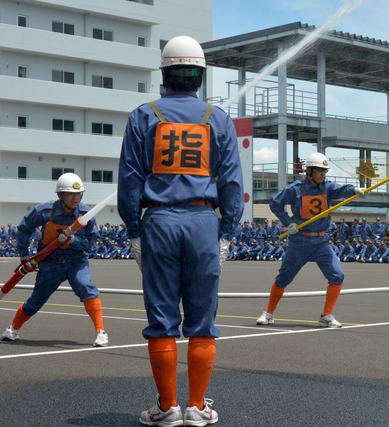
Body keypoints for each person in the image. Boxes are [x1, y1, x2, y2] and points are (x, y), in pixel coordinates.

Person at [118, 35, 243, 426]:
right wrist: (229, 231)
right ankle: (198, 405)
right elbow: (232, 183)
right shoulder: (217, 119)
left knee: (161, 318)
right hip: (204, 221)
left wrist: (134, 229)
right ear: (200, 75)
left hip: (158, 221)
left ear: (164, 74)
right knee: (203, 319)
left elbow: (130, 180)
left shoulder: (144, 116)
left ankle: (167, 407)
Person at [256, 152, 362, 329]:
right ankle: (269, 313)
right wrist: (288, 223)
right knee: (283, 278)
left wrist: (354, 190)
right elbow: (275, 203)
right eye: (319, 170)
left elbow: (341, 189)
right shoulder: (295, 189)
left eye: (324, 171)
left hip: (321, 242)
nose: (323, 174)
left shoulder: (327, 188)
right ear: (309, 171)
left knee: (337, 275)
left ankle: (326, 316)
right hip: (300, 242)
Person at [1, 173, 107, 347]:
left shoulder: (86, 215)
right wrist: (24, 255)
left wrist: (74, 240)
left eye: (79, 194)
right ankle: (13, 328)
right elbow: (23, 229)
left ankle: (101, 332)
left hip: (76, 261)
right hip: (50, 262)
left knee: (86, 287)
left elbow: (90, 245)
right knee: (36, 301)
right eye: (71, 194)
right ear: (60, 195)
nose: (76, 198)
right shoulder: (44, 211)